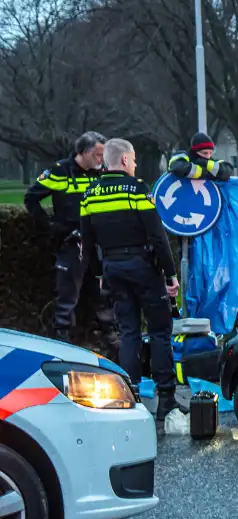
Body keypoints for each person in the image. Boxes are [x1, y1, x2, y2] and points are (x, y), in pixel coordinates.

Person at [79, 138, 180, 422]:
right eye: (133, 160)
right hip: (143, 268)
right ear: (124, 160)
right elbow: (157, 236)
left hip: (113, 268)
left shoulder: (90, 194)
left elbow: (87, 244)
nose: (134, 165)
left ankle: (131, 398)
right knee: (160, 332)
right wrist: (170, 274)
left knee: (128, 333)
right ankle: (166, 399)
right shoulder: (136, 190)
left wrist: (99, 274)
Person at [24, 131, 116, 344]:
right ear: (82, 152)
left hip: (97, 243)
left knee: (102, 291)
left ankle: (108, 334)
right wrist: (50, 226)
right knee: (68, 294)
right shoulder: (59, 172)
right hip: (72, 242)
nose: (101, 160)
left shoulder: (100, 173)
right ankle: (63, 338)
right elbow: (31, 198)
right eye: (98, 155)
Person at [168, 132, 234, 181]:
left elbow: (227, 172)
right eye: (204, 153)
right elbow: (178, 168)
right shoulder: (182, 155)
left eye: (210, 153)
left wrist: (206, 163)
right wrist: (204, 172)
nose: (208, 156)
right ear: (195, 151)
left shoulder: (213, 162)